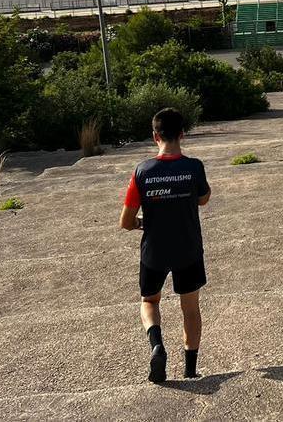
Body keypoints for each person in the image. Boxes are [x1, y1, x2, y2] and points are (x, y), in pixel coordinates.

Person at [118, 107, 211, 384]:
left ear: (154, 136)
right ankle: (190, 369)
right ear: (182, 134)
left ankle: (157, 344)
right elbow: (203, 199)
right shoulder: (194, 167)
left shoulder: (142, 171)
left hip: (154, 251)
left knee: (149, 300)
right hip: (188, 249)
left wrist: (140, 223)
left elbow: (125, 221)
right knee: (190, 308)